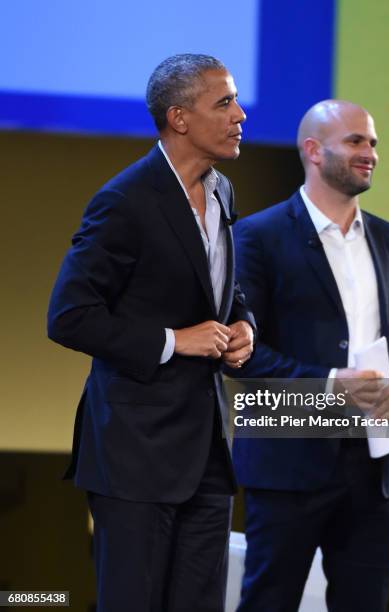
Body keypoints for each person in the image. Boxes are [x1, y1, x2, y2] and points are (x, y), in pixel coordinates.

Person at [47, 53, 255, 612]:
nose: (240, 114)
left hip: (207, 454)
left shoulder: (223, 193)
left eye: (236, 100)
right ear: (179, 118)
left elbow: (223, 293)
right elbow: (69, 315)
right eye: (225, 102)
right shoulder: (125, 201)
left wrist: (243, 326)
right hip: (135, 457)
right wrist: (173, 340)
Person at [230, 100, 389, 611]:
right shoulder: (259, 237)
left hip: (375, 465)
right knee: (268, 601)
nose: (371, 154)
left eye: (374, 143)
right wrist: (327, 383)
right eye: (357, 142)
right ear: (313, 151)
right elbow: (241, 356)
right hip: (288, 461)